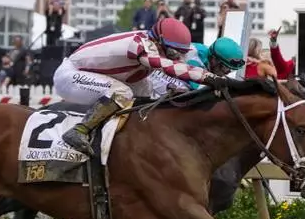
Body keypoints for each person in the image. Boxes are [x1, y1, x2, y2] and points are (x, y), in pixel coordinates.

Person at [55, 17, 229, 155]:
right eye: (174, 52)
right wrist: (210, 78)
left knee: (147, 91)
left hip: (100, 74)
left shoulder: (153, 42)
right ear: (159, 41)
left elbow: (173, 65)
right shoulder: (139, 45)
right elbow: (169, 67)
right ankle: (79, 131)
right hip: (70, 75)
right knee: (122, 92)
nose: (178, 57)